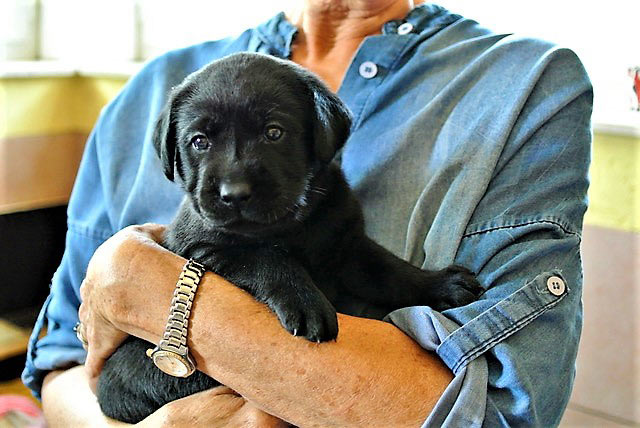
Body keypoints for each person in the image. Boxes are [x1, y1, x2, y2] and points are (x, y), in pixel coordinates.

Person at [22, 0, 592, 426]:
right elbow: (65, 363)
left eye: (273, 134)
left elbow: (502, 405)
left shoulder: (530, 84)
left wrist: (166, 293)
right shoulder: (151, 91)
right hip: (147, 382)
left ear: (321, 142)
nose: (235, 179)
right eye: (200, 143)